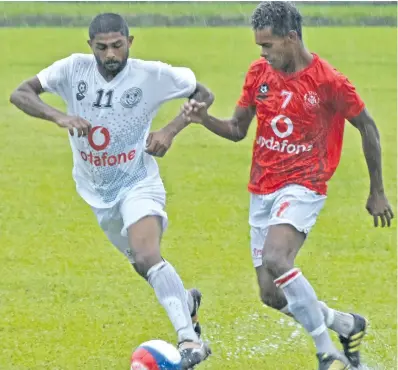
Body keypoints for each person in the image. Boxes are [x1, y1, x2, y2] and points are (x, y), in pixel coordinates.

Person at [179, 2, 394, 369]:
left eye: (268, 45)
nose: (263, 54)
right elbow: (236, 130)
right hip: (262, 188)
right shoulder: (259, 73)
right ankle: (346, 324)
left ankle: (328, 353)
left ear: (291, 39)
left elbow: (369, 127)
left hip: (305, 184)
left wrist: (377, 190)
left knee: (279, 259)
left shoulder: (329, 82)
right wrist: (203, 120)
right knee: (271, 296)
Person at [10, 13, 213, 370]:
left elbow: (203, 93)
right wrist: (59, 116)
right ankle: (185, 302)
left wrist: (170, 130)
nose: (111, 55)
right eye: (102, 47)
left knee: (147, 253)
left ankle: (190, 341)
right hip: (96, 191)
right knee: (141, 264)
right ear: (90, 46)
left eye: (117, 45)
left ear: (130, 42)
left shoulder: (152, 75)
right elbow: (20, 92)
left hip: (138, 180)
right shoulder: (72, 70)